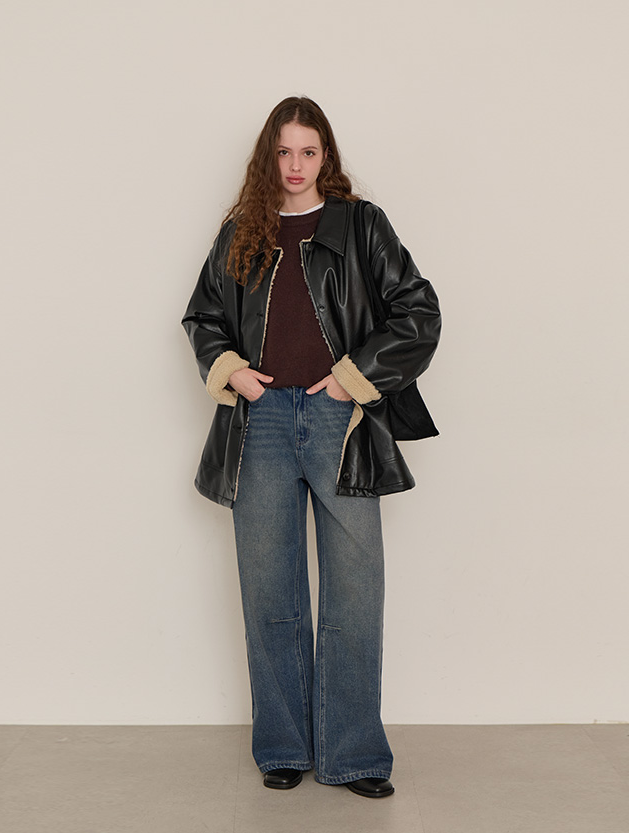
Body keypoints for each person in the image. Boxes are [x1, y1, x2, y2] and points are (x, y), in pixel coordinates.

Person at [181, 96, 441, 798]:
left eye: (308, 151)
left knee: (354, 590)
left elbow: (418, 311)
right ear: (267, 158)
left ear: (326, 156)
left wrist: (352, 379)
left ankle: (355, 754)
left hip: (338, 421)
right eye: (283, 152)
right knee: (271, 592)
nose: (295, 166)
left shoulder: (361, 225)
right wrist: (233, 370)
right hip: (261, 422)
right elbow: (203, 314)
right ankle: (283, 746)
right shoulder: (243, 230)